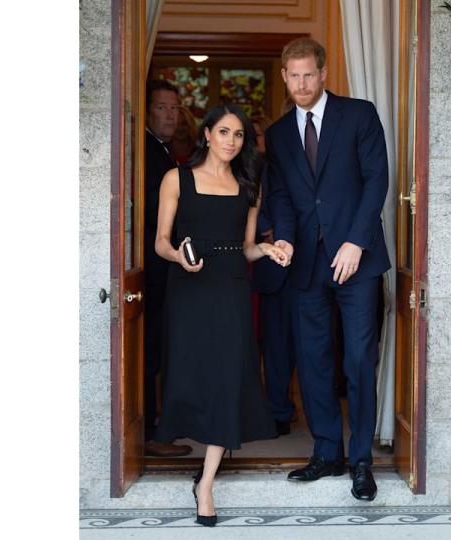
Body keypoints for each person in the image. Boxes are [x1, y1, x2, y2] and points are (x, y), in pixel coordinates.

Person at [265, 37, 390, 501]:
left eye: (308, 74)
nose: (301, 83)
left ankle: (361, 461)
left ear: (324, 74)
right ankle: (326, 452)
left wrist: (356, 240)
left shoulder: (359, 114)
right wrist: (282, 235)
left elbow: (377, 178)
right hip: (306, 262)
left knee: (358, 360)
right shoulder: (278, 134)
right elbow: (279, 192)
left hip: (356, 260)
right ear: (284, 76)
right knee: (313, 362)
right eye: (293, 75)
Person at [153, 103, 288, 526]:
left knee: (228, 378)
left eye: (239, 135)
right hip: (189, 289)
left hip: (231, 288)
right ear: (207, 134)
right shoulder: (176, 178)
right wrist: (178, 256)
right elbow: (159, 241)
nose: (232, 141)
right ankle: (199, 464)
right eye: (225, 132)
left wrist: (267, 249)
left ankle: (206, 483)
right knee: (194, 377)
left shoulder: (249, 185)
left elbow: (246, 247)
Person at [143, 79, 192, 458]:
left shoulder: (161, 151)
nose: (170, 115)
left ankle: (155, 429)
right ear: (147, 110)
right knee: (150, 352)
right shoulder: (145, 152)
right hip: (151, 269)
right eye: (162, 107)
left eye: (175, 108)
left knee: (159, 350)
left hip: (163, 269)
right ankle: (150, 434)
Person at [249, 115, 297, 436]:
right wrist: (268, 231)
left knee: (305, 345)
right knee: (275, 344)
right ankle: (276, 411)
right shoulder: (256, 169)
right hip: (269, 264)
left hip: (309, 264)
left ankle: (289, 407)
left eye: (258, 135)